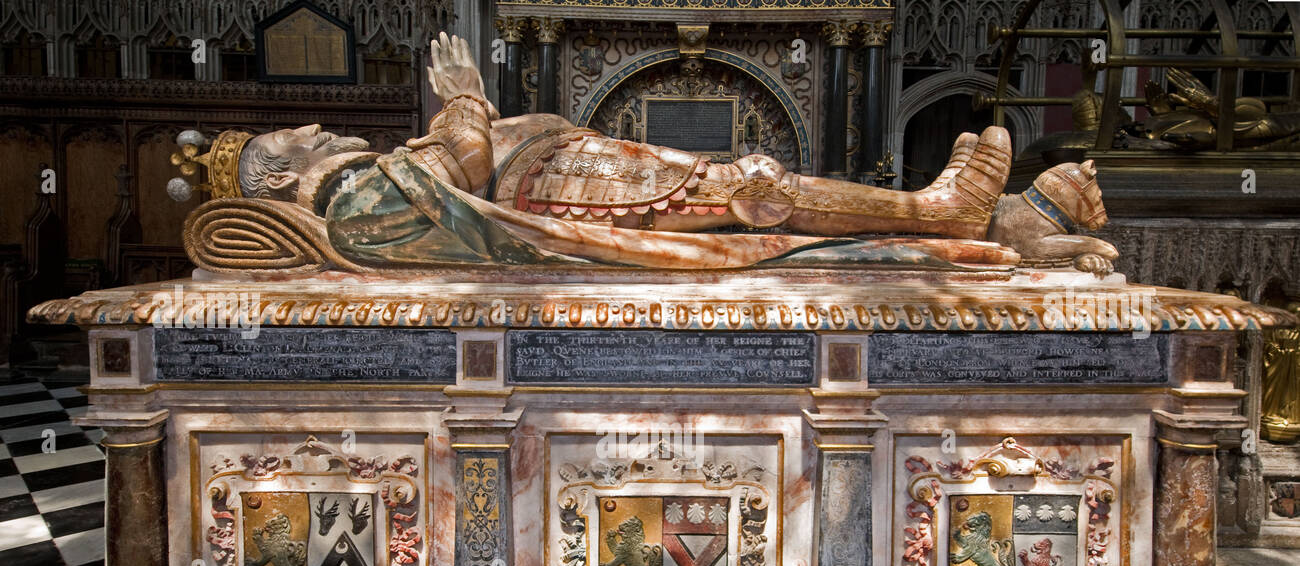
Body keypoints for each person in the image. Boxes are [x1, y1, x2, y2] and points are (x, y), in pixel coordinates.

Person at [188, 33, 1017, 268]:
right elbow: (466, 168)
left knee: (745, 192)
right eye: (293, 138)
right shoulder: (348, 200)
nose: (313, 130)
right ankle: (937, 211)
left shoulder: (356, 183)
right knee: (750, 191)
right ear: (282, 175)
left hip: (560, 171)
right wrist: (468, 96)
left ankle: (941, 217)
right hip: (555, 191)